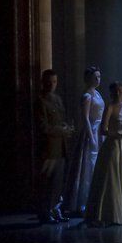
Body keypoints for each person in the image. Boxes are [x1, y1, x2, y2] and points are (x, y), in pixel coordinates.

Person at [85, 82, 122, 226]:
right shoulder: (110, 107)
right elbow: (103, 130)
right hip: (113, 146)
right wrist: (118, 134)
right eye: (115, 91)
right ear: (111, 93)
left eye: (120, 91)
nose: (118, 93)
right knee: (111, 178)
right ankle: (109, 212)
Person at [63, 66, 104, 217]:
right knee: (88, 165)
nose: (98, 80)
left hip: (99, 130)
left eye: (99, 77)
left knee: (96, 164)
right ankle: (83, 203)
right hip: (91, 131)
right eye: (95, 77)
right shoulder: (87, 95)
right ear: (88, 79)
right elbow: (85, 118)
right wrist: (91, 136)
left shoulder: (97, 94)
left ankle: (95, 200)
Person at [36, 70, 74, 223]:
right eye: (49, 82)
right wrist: (61, 130)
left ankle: (55, 209)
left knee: (58, 182)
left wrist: (66, 128)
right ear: (43, 82)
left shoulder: (57, 99)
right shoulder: (40, 101)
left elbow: (59, 120)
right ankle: (45, 212)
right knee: (48, 182)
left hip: (61, 147)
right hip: (49, 148)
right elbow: (43, 126)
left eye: (54, 82)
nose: (52, 85)